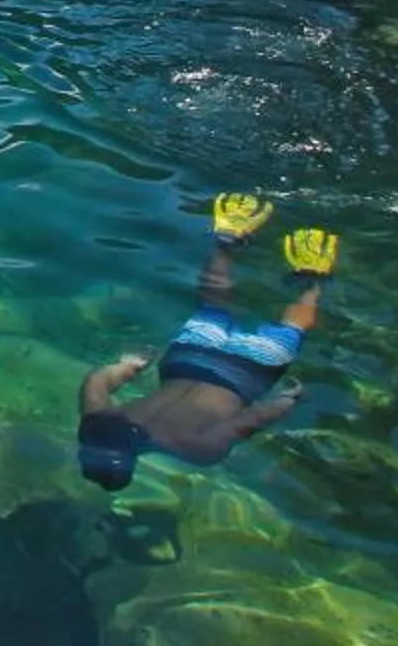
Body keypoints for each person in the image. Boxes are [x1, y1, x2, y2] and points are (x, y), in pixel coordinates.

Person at [75, 194, 338, 491]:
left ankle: (313, 281)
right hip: (189, 359)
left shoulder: (197, 450)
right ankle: (227, 241)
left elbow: (250, 420)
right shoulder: (99, 421)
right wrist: (128, 366)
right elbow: (96, 382)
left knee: (293, 326)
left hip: (246, 371)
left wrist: (287, 400)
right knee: (212, 304)